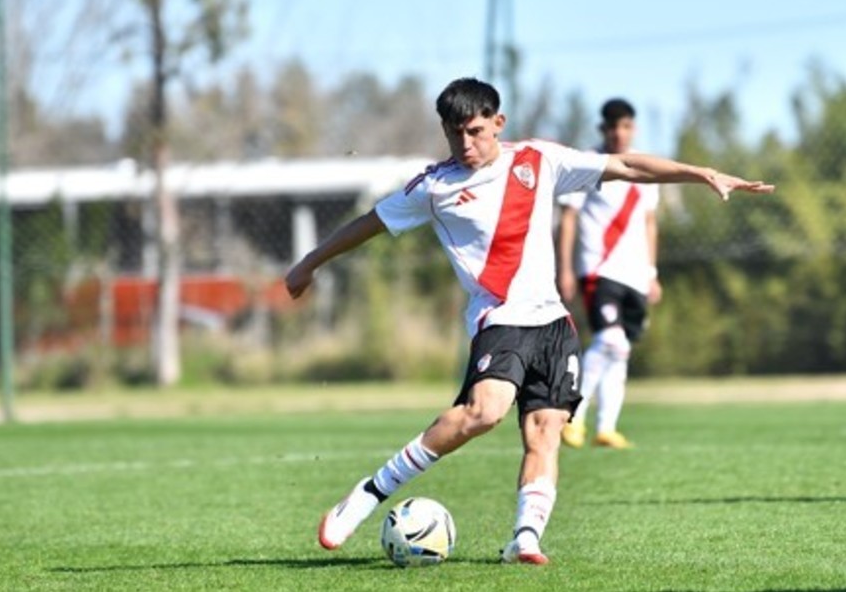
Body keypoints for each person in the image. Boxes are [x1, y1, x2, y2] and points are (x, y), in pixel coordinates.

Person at [285, 77, 774, 565]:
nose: (465, 143)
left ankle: (525, 538)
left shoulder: (539, 160)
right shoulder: (434, 187)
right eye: (454, 133)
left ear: (498, 123)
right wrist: (309, 263)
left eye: (475, 131)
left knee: (545, 431)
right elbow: (370, 223)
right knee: (484, 413)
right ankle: (367, 494)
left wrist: (702, 173)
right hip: (500, 318)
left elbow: (625, 165)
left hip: (554, 323)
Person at [556, 98, 659, 450]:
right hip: (598, 269)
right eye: (613, 126)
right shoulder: (587, 164)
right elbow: (568, 219)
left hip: (635, 273)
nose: (619, 133)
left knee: (621, 348)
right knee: (610, 341)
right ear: (603, 129)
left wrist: (651, 272)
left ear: (634, 128)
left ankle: (606, 427)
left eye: (625, 126)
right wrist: (565, 268)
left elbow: (649, 222)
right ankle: (572, 417)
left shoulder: (645, 168)